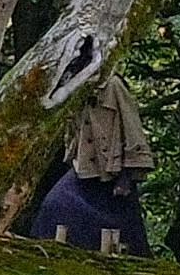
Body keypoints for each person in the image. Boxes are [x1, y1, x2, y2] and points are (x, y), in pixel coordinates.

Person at [20, 78, 151, 254]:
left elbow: (132, 128)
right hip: (83, 169)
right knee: (55, 206)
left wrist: (126, 176)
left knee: (124, 229)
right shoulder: (74, 86)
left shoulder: (113, 86)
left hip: (112, 172)